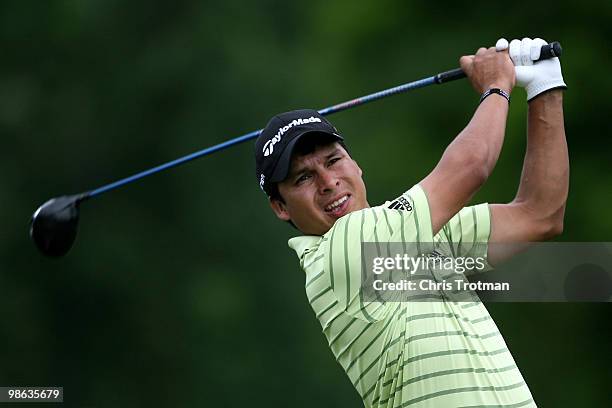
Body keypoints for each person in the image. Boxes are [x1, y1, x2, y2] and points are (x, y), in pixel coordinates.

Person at [254, 37, 568, 407]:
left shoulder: (412, 232)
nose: (328, 182)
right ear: (281, 207)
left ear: (356, 165)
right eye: (303, 178)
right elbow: (471, 167)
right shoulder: (340, 252)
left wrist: (544, 88)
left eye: (333, 160)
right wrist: (496, 86)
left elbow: (540, 215)